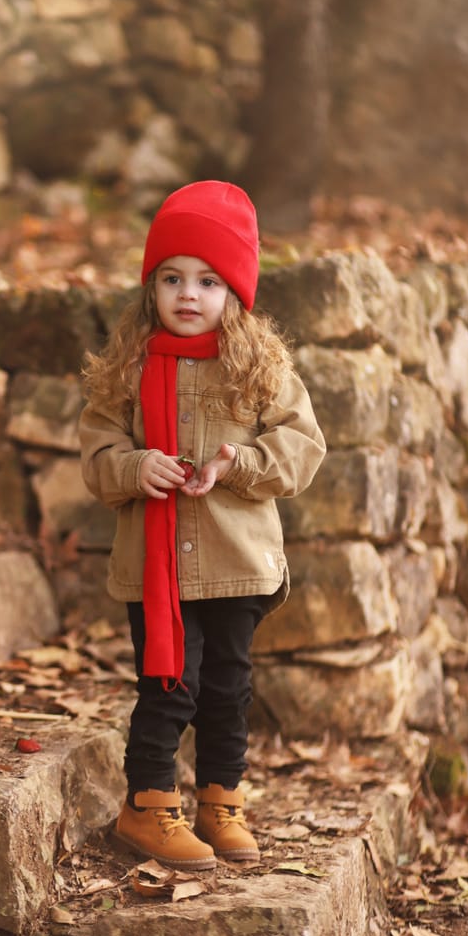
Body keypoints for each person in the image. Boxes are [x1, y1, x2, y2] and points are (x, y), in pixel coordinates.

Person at [78, 180, 326, 870]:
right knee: (169, 685)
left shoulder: (260, 369)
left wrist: (239, 462)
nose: (188, 294)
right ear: (152, 287)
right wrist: (135, 468)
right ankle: (148, 803)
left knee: (227, 689)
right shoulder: (127, 370)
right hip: (156, 569)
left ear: (235, 292)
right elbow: (97, 458)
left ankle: (222, 801)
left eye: (208, 281)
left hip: (237, 560)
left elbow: (302, 450)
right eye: (172, 278)